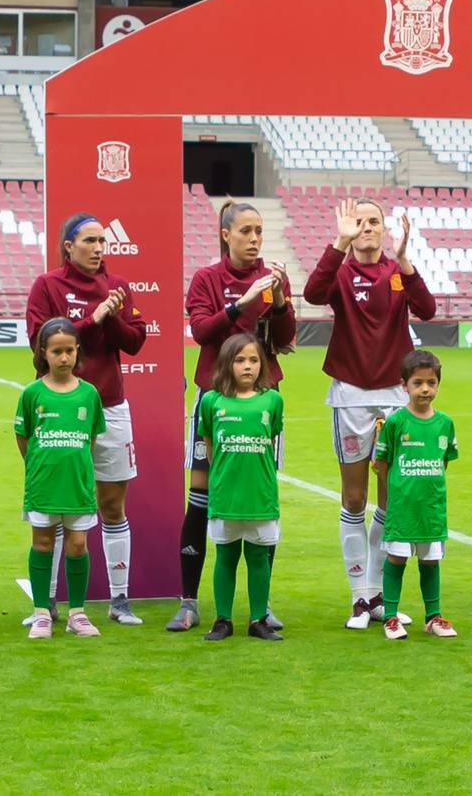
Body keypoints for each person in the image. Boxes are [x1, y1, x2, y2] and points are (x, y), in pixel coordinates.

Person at [302, 197, 429, 632]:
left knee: (390, 499)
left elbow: (428, 310)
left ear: (384, 229)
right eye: (360, 222)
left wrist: (407, 262)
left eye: (374, 221)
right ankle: (357, 597)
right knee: (354, 498)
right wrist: (338, 243)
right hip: (352, 395)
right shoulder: (340, 272)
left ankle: (376, 595)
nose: (368, 228)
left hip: (395, 397)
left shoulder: (396, 273)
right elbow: (312, 294)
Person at [23, 213, 152, 627]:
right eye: (90, 241)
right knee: (58, 508)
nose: (99, 248)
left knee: (112, 504)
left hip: (110, 405)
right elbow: (37, 341)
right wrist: (89, 320)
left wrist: (111, 315)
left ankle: (119, 599)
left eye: (102, 242)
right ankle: (48, 603)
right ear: (68, 246)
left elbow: (135, 342)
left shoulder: (117, 288)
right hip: (59, 411)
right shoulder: (47, 286)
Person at [188, 200, 307, 631]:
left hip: (263, 395)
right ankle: (189, 599)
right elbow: (202, 332)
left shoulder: (273, 277)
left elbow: (288, 337)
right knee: (201, 492)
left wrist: (277, 304)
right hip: (215, 396)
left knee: (261, 492)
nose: (255, 239)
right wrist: (243, 303)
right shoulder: (206, 278)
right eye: (246, 231)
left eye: (259, 231)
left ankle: (261, 606)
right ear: (225, 234)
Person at [13, 318, 106, 639]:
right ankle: (41, 612)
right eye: (56, 351)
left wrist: (75, 463)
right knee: (42, 542)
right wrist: (40, 463)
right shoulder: (32, 393)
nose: (63, 357)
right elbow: (23, 436)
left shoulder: (89, 394)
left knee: (78, 544)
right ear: (44, 353)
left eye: (69, 351)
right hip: (43, 483)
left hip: (77, 484)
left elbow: (91, 438)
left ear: (78, 351)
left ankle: (77, 613)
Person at [194, 333, 287, 641]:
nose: (247, 366)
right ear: (226, 364)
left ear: (262, 365)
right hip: (225, 495)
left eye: (253, 360)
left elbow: (271, 439)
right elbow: (209, 446)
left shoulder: (271, 400)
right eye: (240, 360)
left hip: (260, 494)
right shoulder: (211, 401)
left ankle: (258, 619)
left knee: (259, 557)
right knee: (226, 555)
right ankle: (223, 620)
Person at [373, 352, 460, 639]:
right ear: (404, 386)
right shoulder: (396, 422)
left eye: (431, 383)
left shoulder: (445, 423)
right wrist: (398, 492)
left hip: (431, 508)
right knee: (396, 559)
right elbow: (381, 464)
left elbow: (443, 462)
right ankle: (390, 616)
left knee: (431, 561)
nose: (425, 389)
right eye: (418, 382)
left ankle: (433, 616)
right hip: (403, 508)